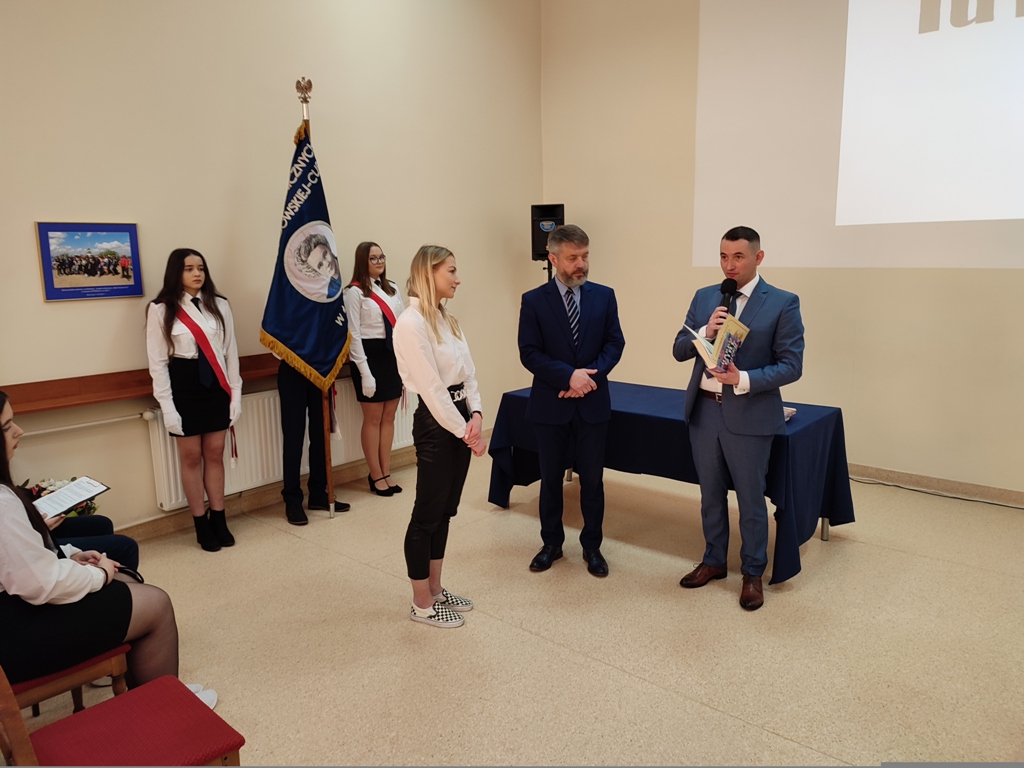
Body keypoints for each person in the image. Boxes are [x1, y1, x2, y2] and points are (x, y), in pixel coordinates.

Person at [0, 391, 216, 706]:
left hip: (15, 611)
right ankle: (168, 709)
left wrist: (71, 556)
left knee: (126, 580)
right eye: (7, 426)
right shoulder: (2, 503)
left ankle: (151, 695)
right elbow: (40, 583)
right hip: (17, 633)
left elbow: (21, 562)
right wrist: (98, 575)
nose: (19, 431)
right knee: (155, 603)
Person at [672, 226, 804, 611]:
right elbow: (679, 349)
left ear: (758, 258)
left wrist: (742, 378)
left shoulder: (782, 302)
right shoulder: (705, 297)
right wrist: (704, 330)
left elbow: (791, 365)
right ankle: (714, 560)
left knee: (750, 499)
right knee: (710, 495)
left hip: (749, 413)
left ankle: (752, 572)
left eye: (738, 257)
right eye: (723, 257)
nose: (729, 265)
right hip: (704, 412)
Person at [518, 224, 625, 578]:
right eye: (572, 258)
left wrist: (587, 378)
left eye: (585, 256)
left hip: (592, 404)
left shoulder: (604, 296)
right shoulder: (534, 300)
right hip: (551, 406)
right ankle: (551, 543)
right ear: (553, 259)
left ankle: (592, 546)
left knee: (592, 481)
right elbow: (529, 352)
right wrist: (568, 377)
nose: (581, 264)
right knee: (550, 479)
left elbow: (614, 344)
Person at [394, 245, 485, 628]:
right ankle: (421, 604)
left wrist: (476, 414)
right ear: (429, 273)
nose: (457, 279)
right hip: (436, 424)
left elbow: (468, 374)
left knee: (446, 511)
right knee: (426, 515)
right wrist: (466, 433)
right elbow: (432, 390)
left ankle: (435, 588)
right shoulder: (410, 323)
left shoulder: (447, 319)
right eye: (451, 271)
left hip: (460, 417)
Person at [146, 248, 241, 552]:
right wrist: (168, 408)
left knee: (215, 453)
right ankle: (200, 523)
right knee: (191, 458)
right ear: (176, 272)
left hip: (216, 386)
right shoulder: (161, 309)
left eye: (200, 268)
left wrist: (236, 394)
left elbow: (230, 352)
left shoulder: (220, 305)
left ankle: (219, 518)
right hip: (183, 386)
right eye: (189, 268)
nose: (197, 273)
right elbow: (158, 364)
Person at [343, 242, 405, 496]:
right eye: (373, 258)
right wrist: (365, 372)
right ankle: (375, 474)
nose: (379, 262)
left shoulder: (393, 289)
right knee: (373, 418)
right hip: (368, 358)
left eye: (381, 257)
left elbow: (402, 326)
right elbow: (353, 334)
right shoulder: (354, 292)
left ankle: (386, 471)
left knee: (389, 417)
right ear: (362, 261)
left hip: (391, 356)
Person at [294, 232, 342, 299]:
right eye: (320, 265)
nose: (326, 263)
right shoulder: (333, 293)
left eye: (325, 254)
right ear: (316, 272)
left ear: (329, 248)